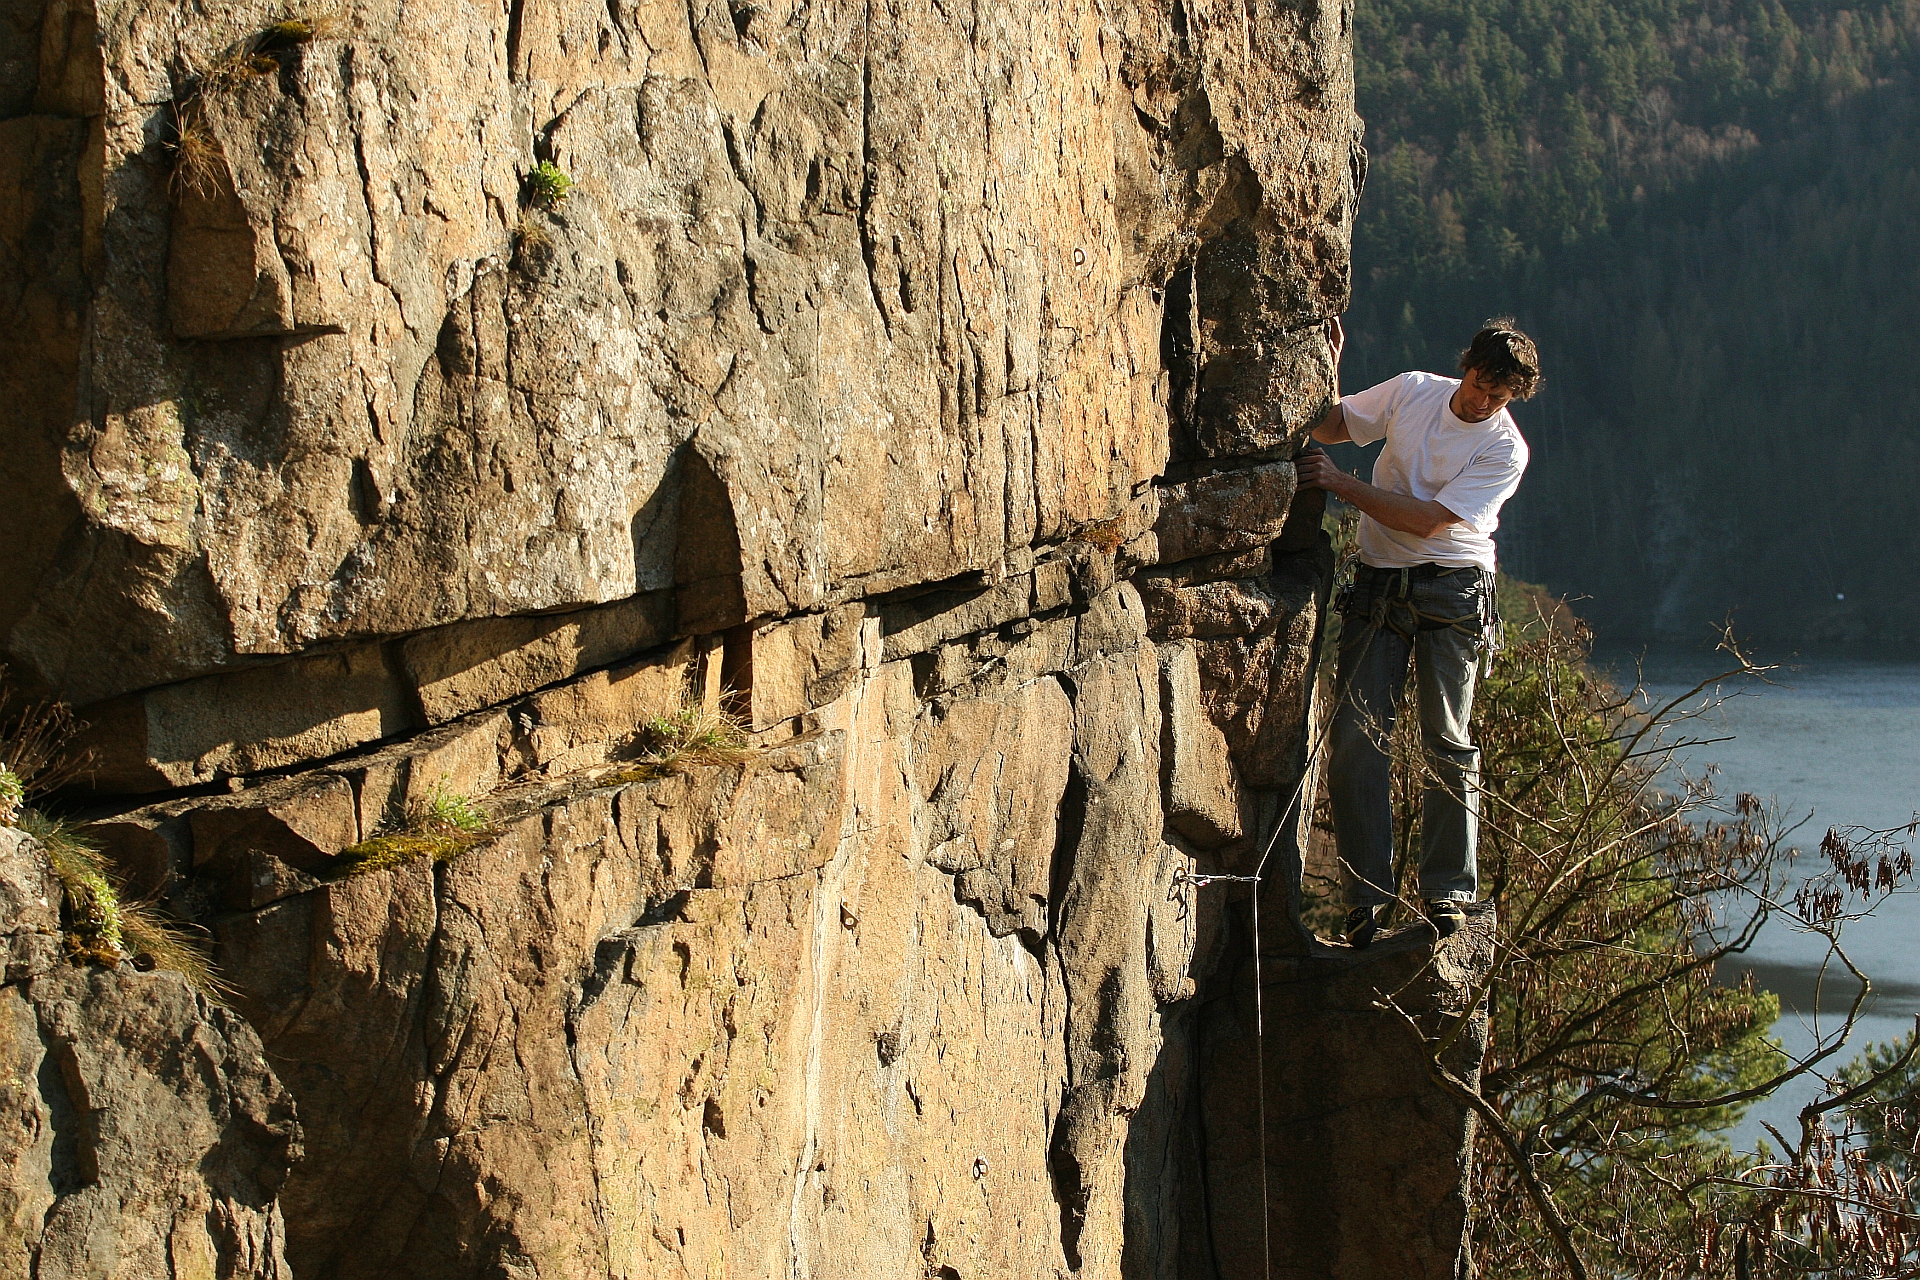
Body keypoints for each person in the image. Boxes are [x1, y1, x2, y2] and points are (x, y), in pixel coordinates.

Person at [1296, 317, 1540, 948]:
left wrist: (1341, 484)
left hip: (1453, 590)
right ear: (1468, 366)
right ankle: (1364, 901)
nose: (1485, 401)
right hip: (1379, 581)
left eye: (1500, 396)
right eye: (1483, 384)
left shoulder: (1505, 448)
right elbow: (1337, 425)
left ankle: (1448, 894)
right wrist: (1310, 377)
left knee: (1446, 741)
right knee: (1354, 736)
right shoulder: (1412, 392)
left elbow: (1432, 522)